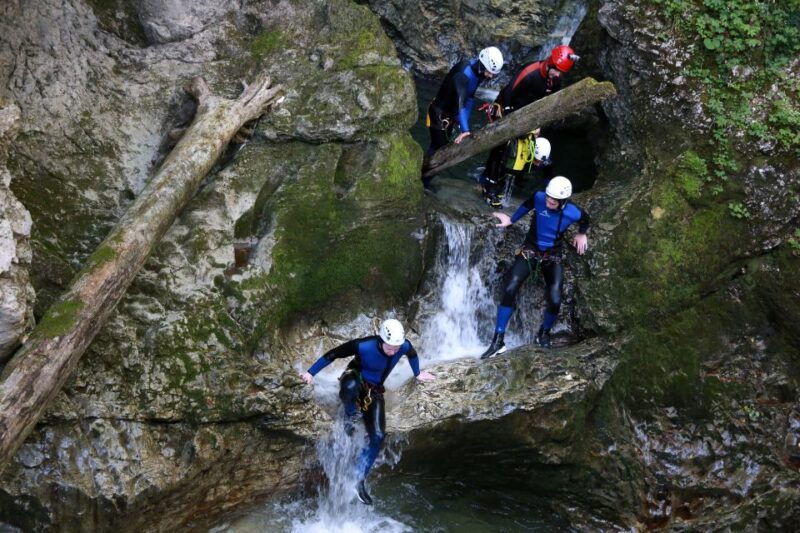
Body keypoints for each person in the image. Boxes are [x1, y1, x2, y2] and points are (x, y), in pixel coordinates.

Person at [300, 319, 435, 505]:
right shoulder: (363, 346)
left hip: (375, 389)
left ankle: (358, 479)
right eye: (390, 347)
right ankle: (350, 414)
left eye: (396, 347)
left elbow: (412, 354)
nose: (394, 351)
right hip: (354, 377)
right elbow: (333, 354)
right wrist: (310, 373)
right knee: (351, 386)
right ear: (381, 339)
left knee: (378, 436)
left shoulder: (403, 346)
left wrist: (418, 373)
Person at [479, 176, 589, 358]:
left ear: (563, 201)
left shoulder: (573, 212)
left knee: (555, 298)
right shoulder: (539, 198)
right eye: (548, 197)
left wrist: (581, 234)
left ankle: (543, 333)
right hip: (530, 250)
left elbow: (585, 220)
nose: (549, 201)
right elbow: (525, 205)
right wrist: (511, 220)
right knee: (510, 286)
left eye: (554, 200)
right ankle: (498, 341)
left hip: (552, 256)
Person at [479, 45, 578, 205]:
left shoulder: (555, 80)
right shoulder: (530, 72)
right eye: (557, 70)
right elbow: (509, 92)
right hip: (507, 106)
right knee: (501, 148)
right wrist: (510, 121)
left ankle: (507, 179)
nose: (558, 75)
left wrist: (537, 124)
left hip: (529, 115)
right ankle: (489, 185)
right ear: (550, 63)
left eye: (561, 72)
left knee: (525, 150)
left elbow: (549, 103)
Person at [423, 46, 504, 190]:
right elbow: (460, 102)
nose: (490, 76)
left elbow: (469, 99)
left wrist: (464, 127)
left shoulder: (478, 73)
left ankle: (425, 180)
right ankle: (423, 179)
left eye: (493, 74)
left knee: (441, 149)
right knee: (439, 149)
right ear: (482, 64)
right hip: (438, 114)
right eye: (489, 72)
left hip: (449, 115)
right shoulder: (463, 74)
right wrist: (464, 129)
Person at [481, 133, 555, 208]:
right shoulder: (516, 151)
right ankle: (488, 187)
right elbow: (494, 162)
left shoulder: (545, 158)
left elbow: (548, 174)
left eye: (540, 162)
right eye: (536, 160)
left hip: (523, 167)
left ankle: (516, 181)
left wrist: (550, 193)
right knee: (500, 170)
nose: (538, 164)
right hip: (511, 163)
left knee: (519, 178)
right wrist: (490, 184)